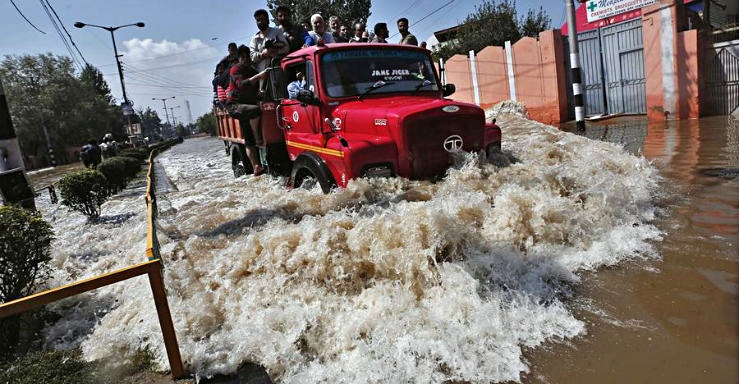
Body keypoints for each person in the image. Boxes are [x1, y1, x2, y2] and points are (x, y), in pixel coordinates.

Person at [226, 45, 268, 176]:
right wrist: (259, 76)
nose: (245, 59)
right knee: (255, 111)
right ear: (239, 59)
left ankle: (257, 167)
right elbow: (241, 84)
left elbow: (257, 90)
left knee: (248, 141)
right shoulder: (235, 70)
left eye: (247, 56)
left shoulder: (252, 70)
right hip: (235, 106)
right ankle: (257, 137)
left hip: (247, 108)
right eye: (242, 57)